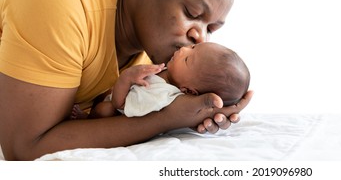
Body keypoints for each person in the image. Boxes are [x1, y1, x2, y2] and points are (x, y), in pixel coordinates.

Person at [0, 0, 253, 160]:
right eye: (192, 13)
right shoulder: (60, 5)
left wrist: (197, 110)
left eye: (211, 29)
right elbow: (24, 149)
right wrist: (168, 118)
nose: (199, 37)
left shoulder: (157, 56)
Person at [80, 42, 250, 119]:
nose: (183, 49)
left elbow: (119, 104)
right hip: (114, 92)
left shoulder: (162, 94)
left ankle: (84, 119)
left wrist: (127, 77)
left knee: (105, 110)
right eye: (192, 47)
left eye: (187, 60)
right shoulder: (170, 73)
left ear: (188, 90)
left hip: (116, 110)